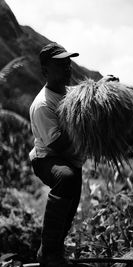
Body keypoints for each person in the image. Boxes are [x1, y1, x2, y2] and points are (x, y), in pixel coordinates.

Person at [29, 42, 84, 267]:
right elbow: (60, 144)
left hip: (70, 159)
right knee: (66, 178)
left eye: (68, 63)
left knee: (69, 210)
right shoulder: (43, 105)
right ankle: (48, 254)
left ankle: (53, 252)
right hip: (46, 158)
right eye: (60, 64)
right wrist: (88, 128)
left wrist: (103, 87)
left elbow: (87, 96)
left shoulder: (70, 92)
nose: (67, 68)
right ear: (45, 71)